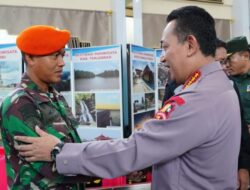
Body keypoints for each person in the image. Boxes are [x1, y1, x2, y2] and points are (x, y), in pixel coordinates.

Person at [15, 6, 241, 189]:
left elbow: (135, 150)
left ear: (190, 45)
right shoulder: (220, 87)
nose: (162, 58)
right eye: (54, 55)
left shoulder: (197, 99)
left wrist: (59, 152)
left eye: (165, 47)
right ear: (30, 58)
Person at [0, 25, 94, 189]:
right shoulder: (19, 103)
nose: (62, 63)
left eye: (63, 55)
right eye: (54, 56)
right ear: (30, 58)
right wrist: (107, 164)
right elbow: (49, 166)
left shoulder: (54, 97)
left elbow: (69, 145)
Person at [225, 36, 250, 190]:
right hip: (234, 151)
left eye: (230, 59)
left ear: (245, 56)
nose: (226, 64)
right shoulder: (226, 81)